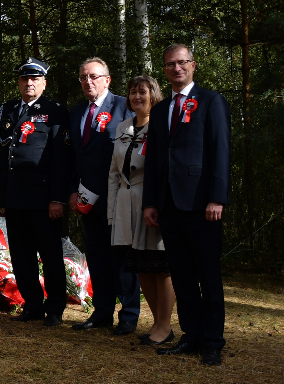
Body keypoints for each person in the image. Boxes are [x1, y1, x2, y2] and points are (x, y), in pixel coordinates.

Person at [143, 44, 231, 366]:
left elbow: (220, 151)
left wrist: (217, 197)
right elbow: (154, 159)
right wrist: (151, 202)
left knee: (208, 274)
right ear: (164, 70)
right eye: (170, 65)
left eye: (182, 63)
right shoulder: (162, 109)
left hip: (202, 203)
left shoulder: (211, 101)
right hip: (168, 205)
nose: (176, 68)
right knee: (181, 275)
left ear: (193, 66)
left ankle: (213, 342)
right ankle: (191, 335)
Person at [0, 57, 70, 326]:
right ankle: (32, 305)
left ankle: (55, 308)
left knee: (51, 257)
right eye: (25, 79)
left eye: (35, 79)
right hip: (14, 197)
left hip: (43, 199)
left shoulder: (55, 110)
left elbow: (60, 158)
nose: (29, 83)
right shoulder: (8, 110)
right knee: (22, 257)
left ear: (44, 83)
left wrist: (57, 197)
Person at [67, 57, 140, 334]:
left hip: (119, 198)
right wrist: (72, 190)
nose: (89, 82)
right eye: (84, 77)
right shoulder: (76, 113)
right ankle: (102, 312)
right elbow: (74, 157)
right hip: (87, 200)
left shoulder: (124, 106)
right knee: (97, 257)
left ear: (107, 80)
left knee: (123, 258)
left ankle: (130, 315)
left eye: (94, 77)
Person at [108, 75, 175, 346]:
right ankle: (156, 323)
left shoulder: (161, 125)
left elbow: (163, 169)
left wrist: (157, 204)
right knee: (141, 266)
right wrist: (112, 211)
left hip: (152, 204)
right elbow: (114, 172)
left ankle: (165, 324)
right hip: (126, 205)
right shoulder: (122, 126)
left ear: (153, 95)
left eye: (143, 92)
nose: (137, 97)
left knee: (161, 266)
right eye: (133, 92)